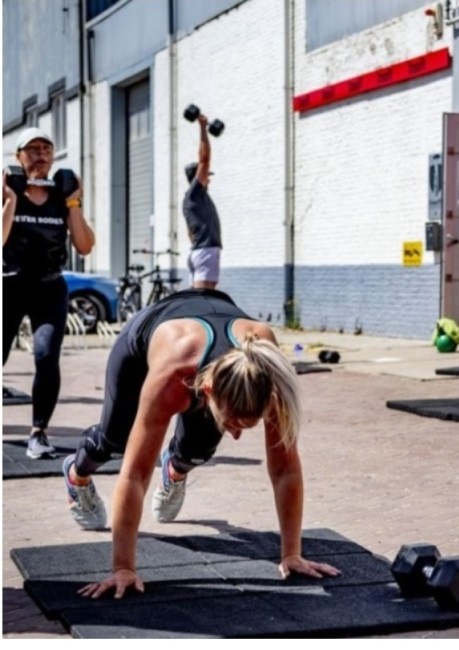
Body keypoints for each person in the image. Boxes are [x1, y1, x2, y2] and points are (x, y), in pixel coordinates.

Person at [61, 288, 341, 598]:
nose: (235, 436)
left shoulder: (270, 376)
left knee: (197, 452)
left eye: (248, 425)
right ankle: (77, 475)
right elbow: (135, 475)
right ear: (206, 391)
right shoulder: (172, 375)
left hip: (216, 321)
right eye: (232, 424)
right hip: (143, 346)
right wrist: (123, 568)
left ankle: (175, 471)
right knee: (114, 443)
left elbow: (285, 469)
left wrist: (291, 553)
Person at [2, 127, 96, 459]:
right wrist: (11, 199)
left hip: (49, 288)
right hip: (8, 287)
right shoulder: (6, 191)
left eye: (47, 148)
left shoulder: (62, 195)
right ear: (19, 156)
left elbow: (84, 246)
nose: (41, 154)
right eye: (33, 148)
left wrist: (73, 203)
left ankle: (38, 432)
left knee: (45, 355)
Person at [182, 112, 222, 289]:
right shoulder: (195, 193)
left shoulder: (192, 199)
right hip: (205, 251)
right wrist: (202, 128)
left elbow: (190, 233)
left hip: (198, 251)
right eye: (207, 176)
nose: (209, 179)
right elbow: (204, 160)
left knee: (197, 303)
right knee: (203, 302)